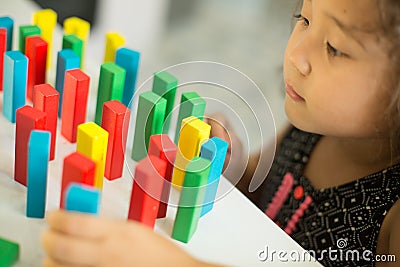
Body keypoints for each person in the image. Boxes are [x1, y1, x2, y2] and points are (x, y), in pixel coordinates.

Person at [41, 0, 400, 266]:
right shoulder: (313, 128)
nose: (296, 55)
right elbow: (262, 191)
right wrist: (229, 166)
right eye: (304, 19)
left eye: (334, 48)